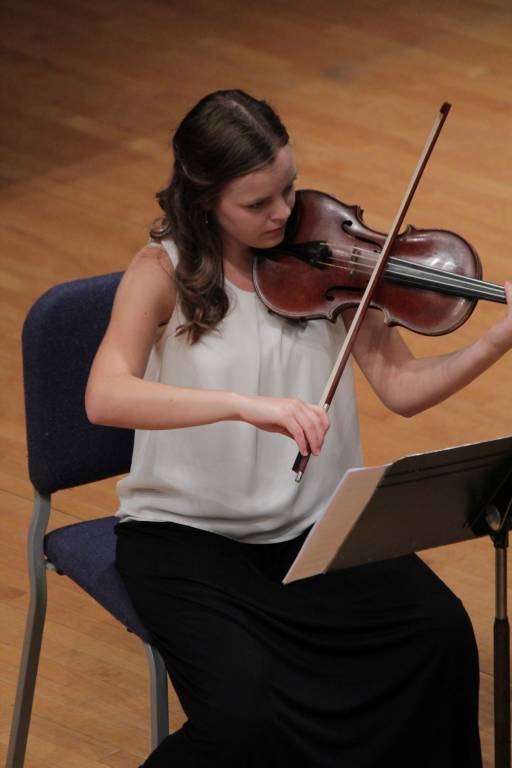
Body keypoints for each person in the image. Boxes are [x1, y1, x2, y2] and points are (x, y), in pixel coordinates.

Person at [85, 89, 512, 767]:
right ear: (205, 202)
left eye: (289, 188)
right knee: (245, 720)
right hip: (190, 542)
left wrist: (494, 341)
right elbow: (105, 395)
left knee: (440, 638)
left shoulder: (327, 258)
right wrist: (245, 405)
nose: (284, 213)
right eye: (258, 203)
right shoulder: (161, 272)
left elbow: (402, 387)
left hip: (315, 532)